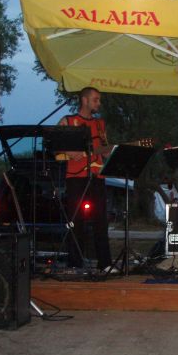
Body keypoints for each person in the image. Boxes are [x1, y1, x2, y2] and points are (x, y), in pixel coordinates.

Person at [57, 87, 114, 273]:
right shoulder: (68, 121)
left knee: (101, 221)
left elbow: (105, 152)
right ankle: (75, 264)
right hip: (76, 177)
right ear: (84, 100)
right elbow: (53, 145)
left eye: (99, 100)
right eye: (95, 99)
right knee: (76, 221)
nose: (99, 103)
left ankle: (105, 264)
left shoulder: (100, 124)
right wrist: (68, 151)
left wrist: (113, 151)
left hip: (97, 176)